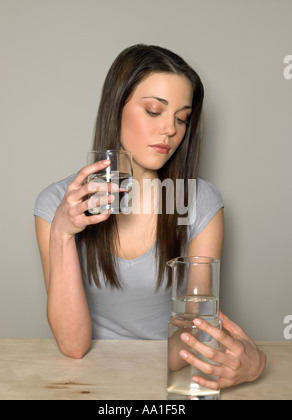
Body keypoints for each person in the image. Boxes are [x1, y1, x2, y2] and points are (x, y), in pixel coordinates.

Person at [34, 44, 266, 390]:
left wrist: (251, 363)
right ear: (117, 109)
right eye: (155, 111)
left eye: (182, 118)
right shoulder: (57, 202)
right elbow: (73, 346)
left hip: (167, 379)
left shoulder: (201, 202)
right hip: (85, 382)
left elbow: (194, 330)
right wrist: (62, 235)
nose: (170, 129)